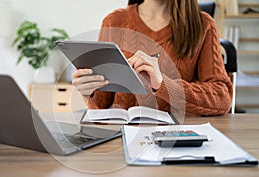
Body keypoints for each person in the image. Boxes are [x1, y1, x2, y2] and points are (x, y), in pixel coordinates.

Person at [72, 0, 233, 116]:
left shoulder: (203, 24)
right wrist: (88, 91)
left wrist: (163, 85)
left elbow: (222, 98)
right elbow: (101, 104)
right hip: (123, 137)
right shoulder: (114, 21)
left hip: (176, 137)